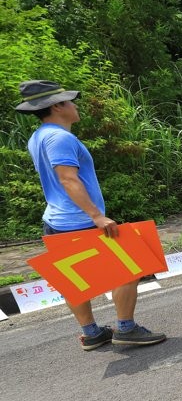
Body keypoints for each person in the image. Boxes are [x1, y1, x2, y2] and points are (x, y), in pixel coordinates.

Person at [15, 80, 166, 350]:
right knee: (130, 267)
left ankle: (92, 333)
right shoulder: (60, 137)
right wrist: (96, 215)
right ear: (58, 106)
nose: (75, 105)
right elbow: (68, 179)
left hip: (57, 221)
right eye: (70, 101)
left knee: (73, 279)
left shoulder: (38, 136)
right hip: (80, 221)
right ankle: (126, 329)